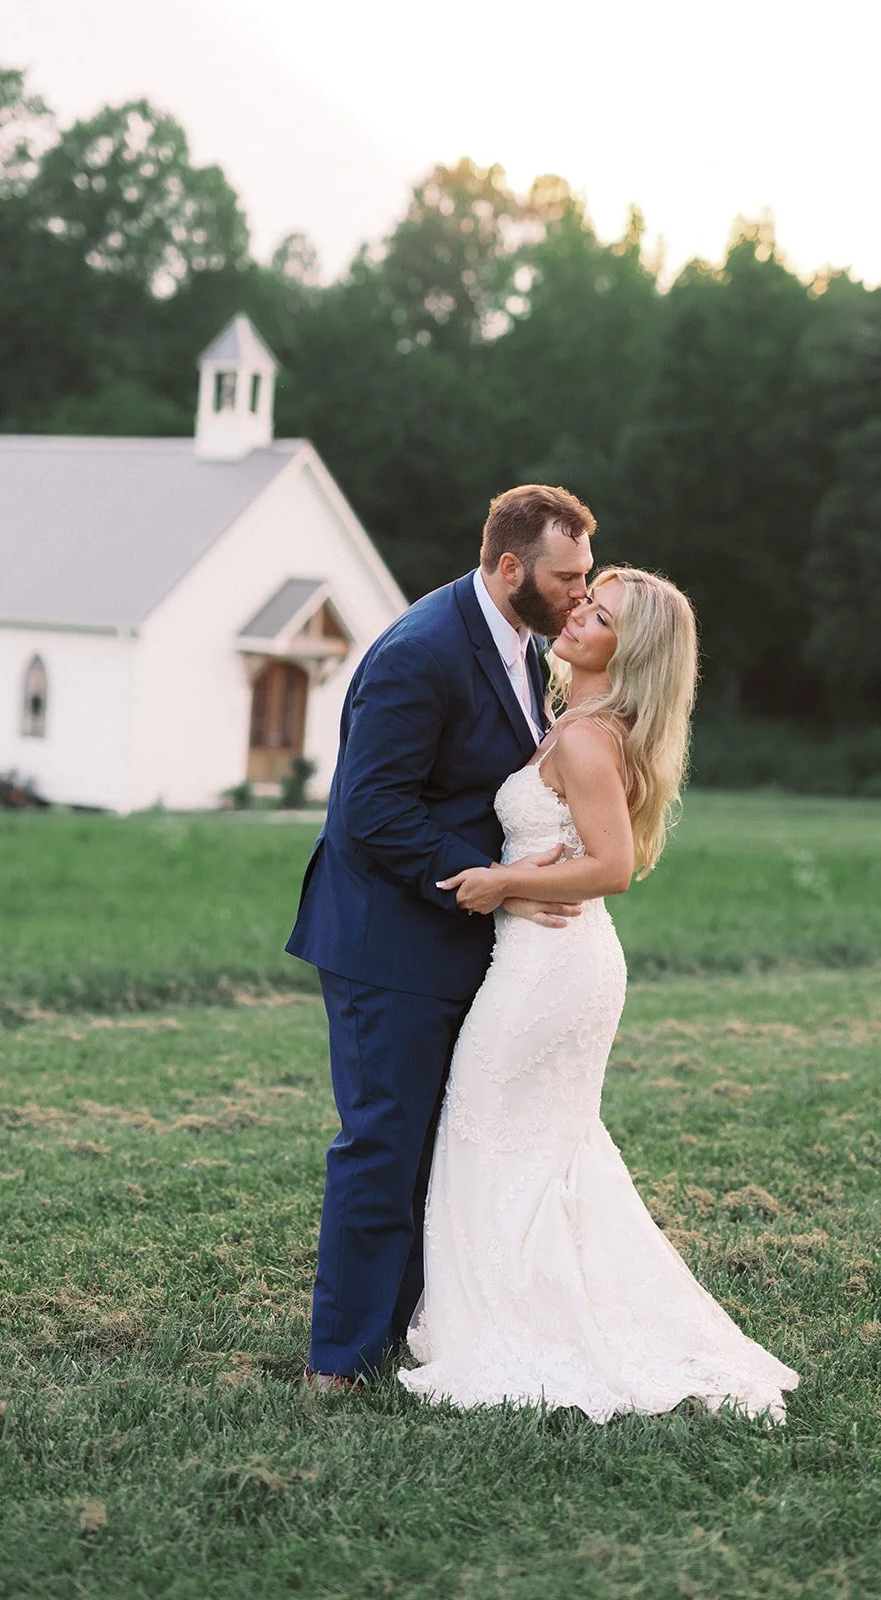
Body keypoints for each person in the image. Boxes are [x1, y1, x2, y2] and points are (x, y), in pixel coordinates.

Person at [399, 564, 800, 1422]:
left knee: (493, 1129)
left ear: (633, 651)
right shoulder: (572, 722)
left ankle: (521, 1332)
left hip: (553, 965)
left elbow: (615, 866)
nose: (578, 614)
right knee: (534, 1145)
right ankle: (524, 1314)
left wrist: (500, 883)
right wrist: (519, 882)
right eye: (585, 599)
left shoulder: (587, 738)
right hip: (551, 960)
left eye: (602, 616)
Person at [286, 484, 596, 1389]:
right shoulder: (420, 652)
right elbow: (369, 815)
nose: (581, 593)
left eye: (584, 576)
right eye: (566, 576)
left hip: (456, 937)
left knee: (437, 1145)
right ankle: (338, 1363)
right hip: (387, 940)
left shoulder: (527, 644)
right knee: (384, 1144)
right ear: (509, 568)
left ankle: (402, 1337)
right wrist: (494, 888)